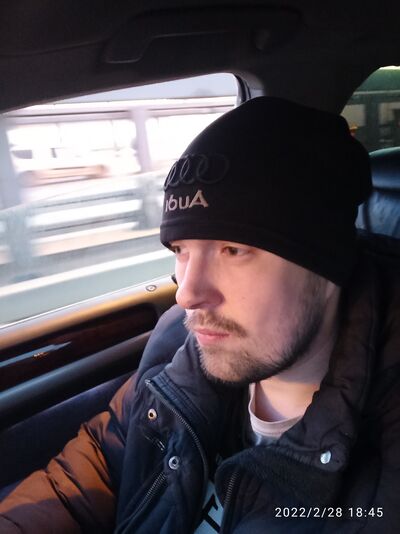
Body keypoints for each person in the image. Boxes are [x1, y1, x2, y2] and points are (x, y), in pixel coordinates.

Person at [1, 97, 399, 533]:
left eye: (233, 250)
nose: (187, 294)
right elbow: (91, 469)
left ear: (327, 267)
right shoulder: (179, 344)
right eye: (180, 250)